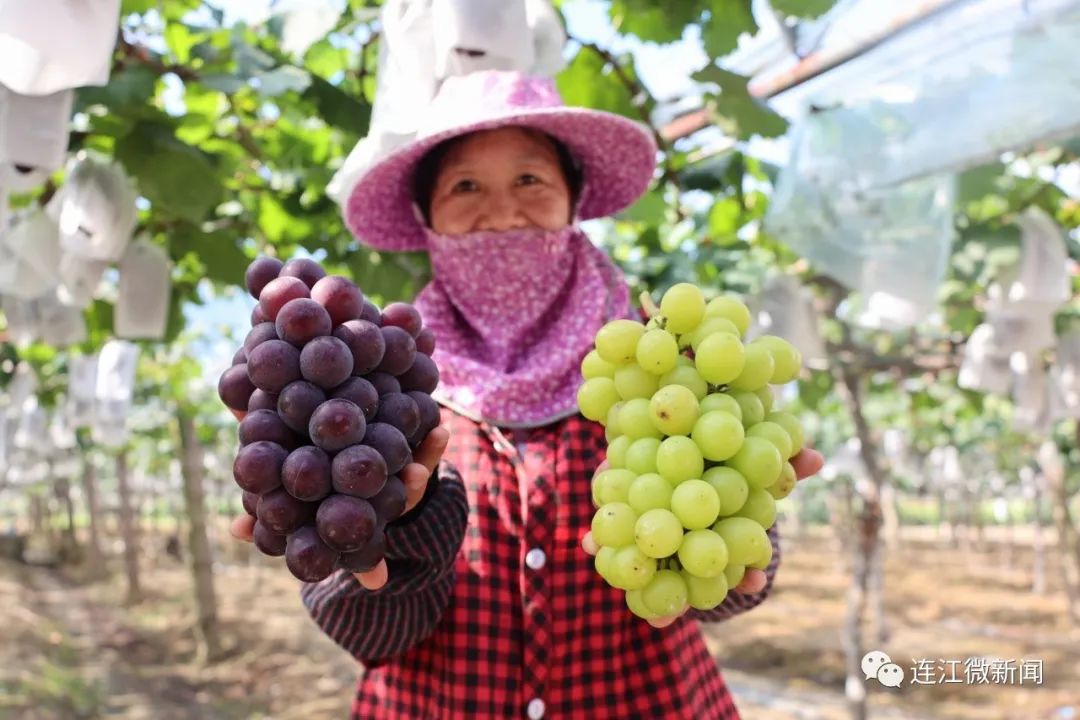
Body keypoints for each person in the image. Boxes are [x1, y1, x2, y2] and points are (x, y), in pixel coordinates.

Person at [232, 69, 824, 719]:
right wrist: (392, 555)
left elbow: (716, 584)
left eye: (530, 179)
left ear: (574, 202)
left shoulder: (660, 370)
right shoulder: (383, 388)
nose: (503, 210)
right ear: (426, 218)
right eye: (465, 186)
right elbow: (373, 638)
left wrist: (731, 546)